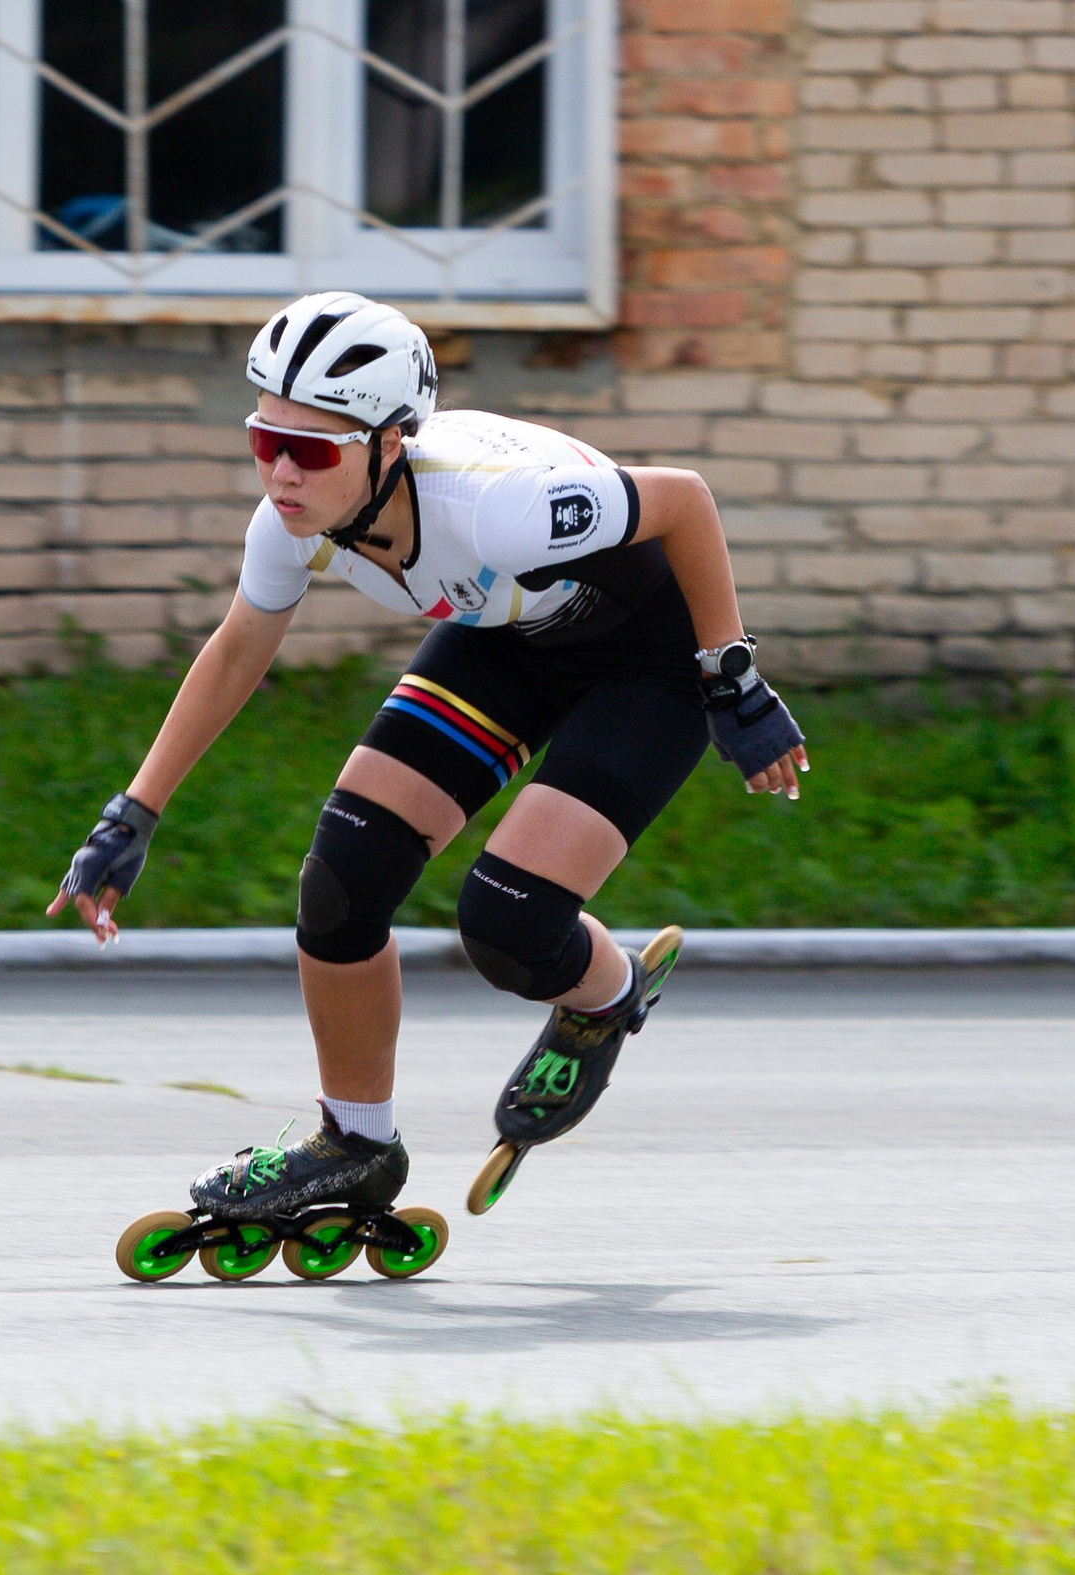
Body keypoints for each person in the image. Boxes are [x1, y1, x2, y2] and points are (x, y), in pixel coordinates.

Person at [50, 291, 808, 1249]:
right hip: (506, 638)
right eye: (263, 441)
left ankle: (607, 992)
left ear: (390, 443)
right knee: (342, 878)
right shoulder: (291, 519)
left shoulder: (500, 509)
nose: (282, 473)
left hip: (648, 663)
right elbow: (241, 645)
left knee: (508, 923)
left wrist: (729, 673)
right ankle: (354, 1142)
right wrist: (134, 812)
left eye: (313, 450)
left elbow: (686, 500)